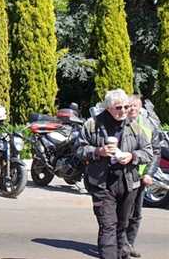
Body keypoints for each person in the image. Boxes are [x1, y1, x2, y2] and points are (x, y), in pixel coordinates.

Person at [77, 89, 153, 259]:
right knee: (108, 225)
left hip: (127, 182)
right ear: (108, 107)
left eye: (126, 107)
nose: (124, 111)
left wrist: (132, 156)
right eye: (119, 107)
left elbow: (148, 152)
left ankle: (121, 253)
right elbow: (79, 150)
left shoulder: (134, 127)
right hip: (102, 183)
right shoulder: (92, 125)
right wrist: (98, 151)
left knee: (122, 225)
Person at [125, 94, 162, 258]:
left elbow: (156, 152)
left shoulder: (148, 126)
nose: (132, 108)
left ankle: (129, 244)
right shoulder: (119, 124)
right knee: (121, 213)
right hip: (121, 176)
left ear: (140, 108)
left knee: (136, 214)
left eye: (135, 106)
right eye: (130, 105)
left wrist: (148, 173)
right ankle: (118, 244)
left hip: (139, 177)